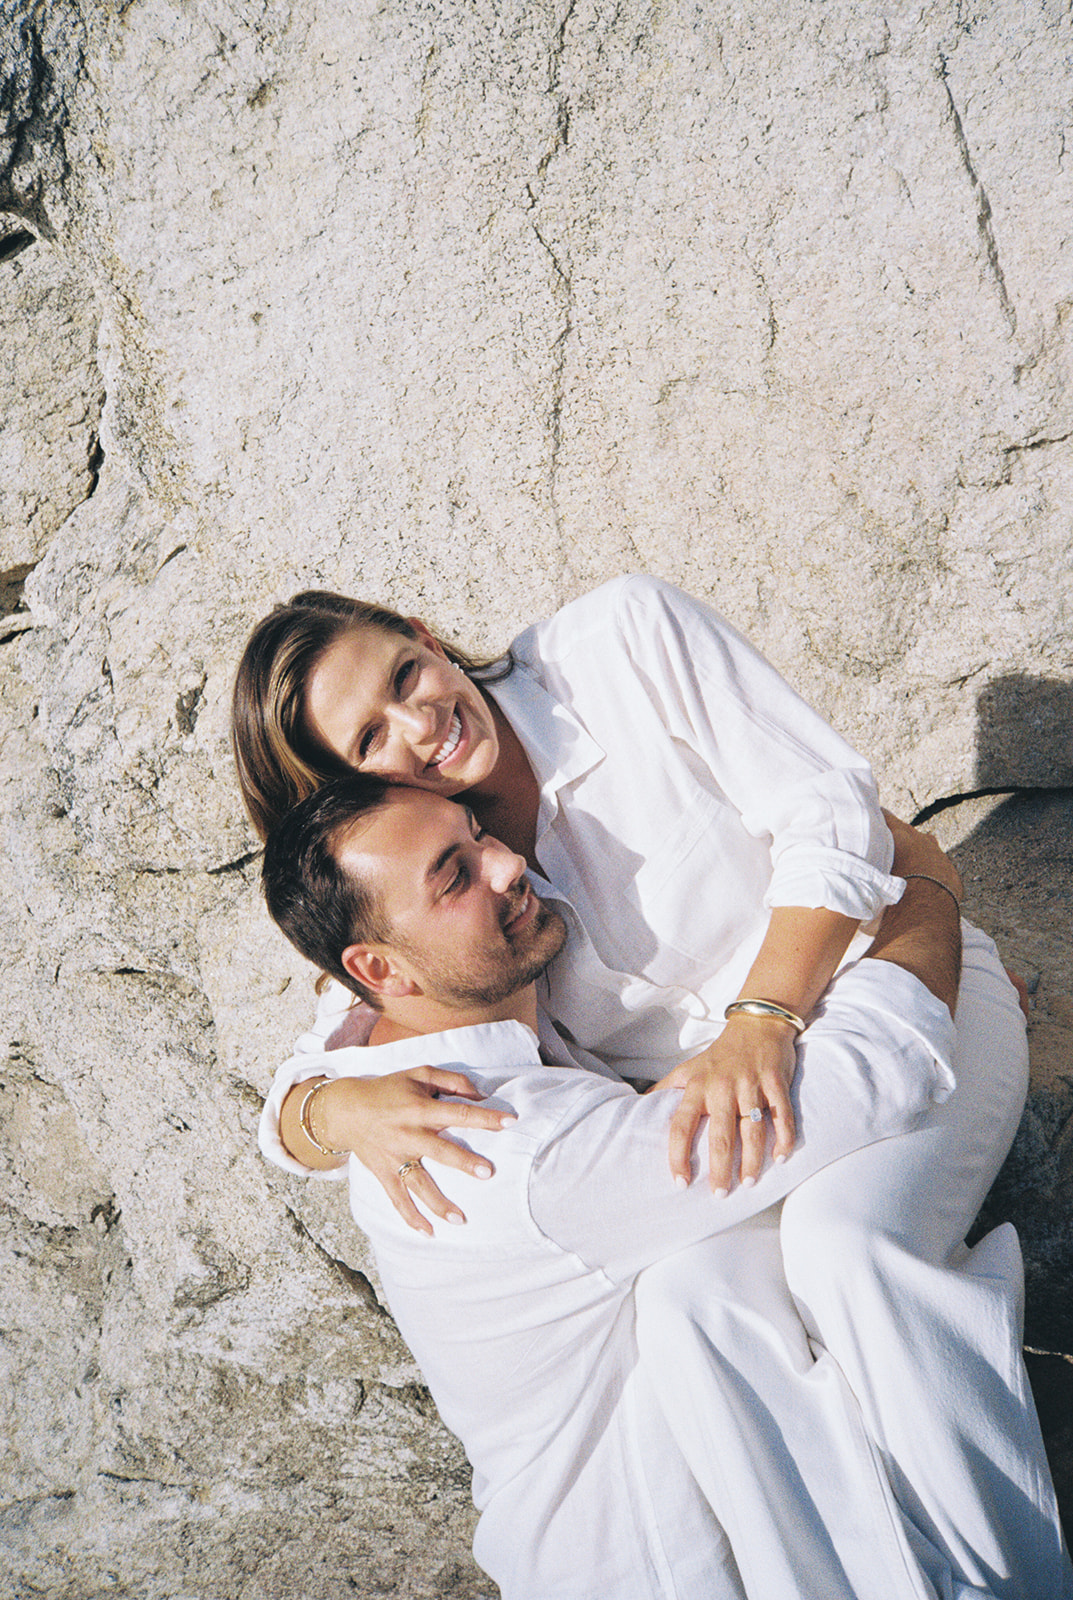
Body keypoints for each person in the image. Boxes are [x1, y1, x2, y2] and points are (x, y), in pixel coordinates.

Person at [234, 576, 1072, 1597]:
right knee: (689, 1298)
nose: (420, 723)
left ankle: (1011, 1577)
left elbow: (829, 811)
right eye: (371, 738)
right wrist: (322, 1107)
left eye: (405, 674)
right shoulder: (431, 865)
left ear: (424, 636)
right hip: (727, 1124)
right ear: (348, 785)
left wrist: (799, 993)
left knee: (844, 1245)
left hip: (887, 984)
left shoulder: (619, 644)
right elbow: (346, 1023)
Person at [259, 775, 975, 1599]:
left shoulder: (389, 1064)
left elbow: (326, 1040)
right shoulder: (506, 1151)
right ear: (378, 968)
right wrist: (927, 892)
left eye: (477, 833)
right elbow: (874, 1073)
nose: (507, 865)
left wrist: (316, 1108)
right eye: (454, 877)